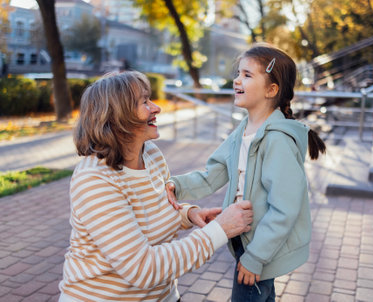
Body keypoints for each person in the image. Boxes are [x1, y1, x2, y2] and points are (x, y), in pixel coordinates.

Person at [58, 71, 253, 302]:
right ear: (117, 117)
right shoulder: (94, 180)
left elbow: (153, 210)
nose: (156, 108)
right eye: (144, 102)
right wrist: (220, 230)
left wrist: (188, 214)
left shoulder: (150, 154)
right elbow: (142, 268)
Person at [166, 43, 326, 301]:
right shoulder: (242, 130)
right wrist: (177, 185)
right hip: (244, 239)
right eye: (238, 73)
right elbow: (213, 173)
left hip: (261, 247)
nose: (237, 80)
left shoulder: (277, 141)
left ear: (271, 90)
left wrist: (255, 257)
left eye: (247, 75)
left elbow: (285, 208)